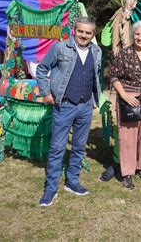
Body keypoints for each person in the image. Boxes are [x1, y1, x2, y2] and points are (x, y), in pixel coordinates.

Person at [36, 16, 102, 207]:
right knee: (57, 148)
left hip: (86, 106)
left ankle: (72, 182)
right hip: (63, 105)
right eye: (80, 31)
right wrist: (46, 92)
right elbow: (42, 69)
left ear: (93, 34)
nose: (83, 35)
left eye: (88, 32)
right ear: (74, 29)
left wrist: (95, 99)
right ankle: (50, 189)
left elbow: (96, 76)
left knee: (79, 147)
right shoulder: (60, 48)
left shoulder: (97, 51)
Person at [109, 20, 141, 190]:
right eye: (137, 34)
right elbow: (113, 75)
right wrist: (123, 95)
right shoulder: (125, 53)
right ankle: (127, 172)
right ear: (133, 35)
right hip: (128, 97)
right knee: (128, 136)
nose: (139, 37)